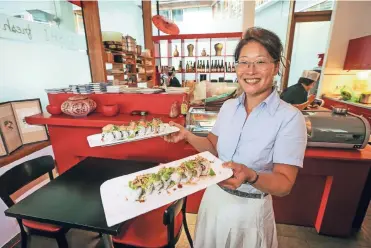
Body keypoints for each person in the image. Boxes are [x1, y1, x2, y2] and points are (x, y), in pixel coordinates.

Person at [164, 27, 307, 248]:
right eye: (243, 62)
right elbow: (213, 146)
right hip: (213, 200)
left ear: (276, 67)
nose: (250, 70)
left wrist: (251, 175)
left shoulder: (289, 118)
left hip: (248, 214)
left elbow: (284, 184)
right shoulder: (230, 107)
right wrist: (187, 135)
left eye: (260, 62)